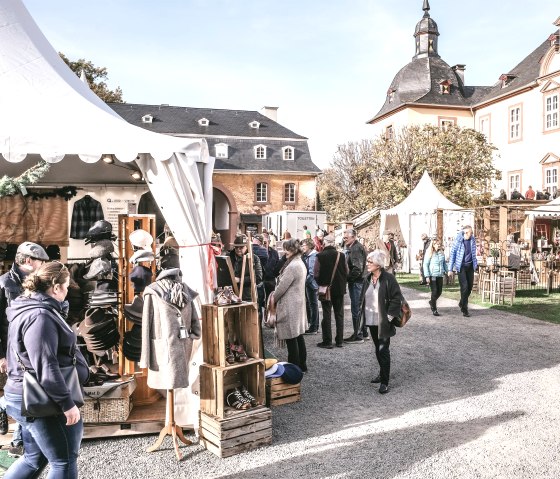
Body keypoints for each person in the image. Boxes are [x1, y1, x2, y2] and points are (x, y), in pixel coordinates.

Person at [4, 261, 89, 478]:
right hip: (41, 400)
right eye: (67, 286)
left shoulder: (27, 307)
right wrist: (67, 404)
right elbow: (45, 365)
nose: (68, 291)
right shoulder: (40, 316)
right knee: (64, 461)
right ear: (56, 287)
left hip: (25, 394)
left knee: (34, 459)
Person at [0, 242, 49, 457]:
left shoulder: (37, 282)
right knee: (19, 389)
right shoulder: (4, 283)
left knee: (28, 388)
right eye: (40, 261)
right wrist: (1, 355)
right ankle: (6, 416)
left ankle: (19, 442)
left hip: (29, 345)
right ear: (28, 261)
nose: (43, 265)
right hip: (10, 348)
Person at [359, 250, 403, 394]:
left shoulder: (389, 278)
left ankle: (384, 381)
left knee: (383, 349)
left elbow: (397, 298)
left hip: (384, 320)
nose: (367, 264)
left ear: (378, 264)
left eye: (370, 262)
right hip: (371, 319)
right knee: (378, 348)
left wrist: (389, 317)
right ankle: (381, 373)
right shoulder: (367, 278)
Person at [270, 239, 307, 372]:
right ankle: (302, 365)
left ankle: (294, 368)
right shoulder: (299, 262)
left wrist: (272, 299)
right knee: (298, 335)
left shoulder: (292, 266)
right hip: (297, 303)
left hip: (290, 305)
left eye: (286, 249)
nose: (284, 252)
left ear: (292, 250)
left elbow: (281, 288)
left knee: (292, 338)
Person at [314, 235, 348, 349]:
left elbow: (316, 273)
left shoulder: (320, 255)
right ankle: (339, 341)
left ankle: (327, 341)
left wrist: (321, 283)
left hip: (325, 289)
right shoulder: (341, 255)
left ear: (325, 242)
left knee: (326, 314)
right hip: (339, 289)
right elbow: (346, 271)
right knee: (339, 315)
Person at [342, 228, 368, 344]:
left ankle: (357, 335)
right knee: (361, 307)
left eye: (346, 236)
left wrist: (348, 279)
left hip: (357, 282)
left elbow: (357, 268)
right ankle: (363, 332)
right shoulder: (354, 247)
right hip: (360, 281)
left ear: (353, 236)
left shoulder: (355, 248)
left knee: (356, 308)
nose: (344, 237)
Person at [448, 225, 478, 317]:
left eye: (471, 232)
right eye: (470, 232)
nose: (472, 234)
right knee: (464, 287)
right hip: (461, 267)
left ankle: (461, 302)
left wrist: (475, 265)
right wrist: (450, 269)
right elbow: (452, 254)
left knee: (469, 287)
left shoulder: (472, 240)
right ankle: (465, 309)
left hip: (470, 266)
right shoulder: (458, 241)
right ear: (465, 233)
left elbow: (473, 253)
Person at [228, 235, 263, 302]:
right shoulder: (229, 257)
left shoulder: (254, 259)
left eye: (241, 247)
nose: (238, 249)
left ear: (246, 247)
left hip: (247, 296)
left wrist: (240, 280)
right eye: (236, 247)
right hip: (231, 296)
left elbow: (258, 277)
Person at [423, 238, 448, 316]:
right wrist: (427, 276)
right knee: (434, 292)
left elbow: (444, 264)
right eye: (437, 244)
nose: (439, 245)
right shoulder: (429, 253)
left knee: (439, 292)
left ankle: (431, 302)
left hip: (440, 275)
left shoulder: (441, 253)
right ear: (433, 245)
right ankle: (434, 309)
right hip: (432, 275)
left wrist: (447, 271)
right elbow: (425, 265)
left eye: (439, 244)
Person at [301, 239, 319, 334]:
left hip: (312, 284)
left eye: (304, 245)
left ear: (309, 246)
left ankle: (314, 327)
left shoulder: (313, 256)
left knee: (313, 305)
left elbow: (311, 273)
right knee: (312, 305)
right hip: (310, 284)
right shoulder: (307, 256)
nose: (302, 247)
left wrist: (304, 282)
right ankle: (314, 325)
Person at [251, 235, 268, 322]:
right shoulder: (264, 251)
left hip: (250, 279)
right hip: (260, 279)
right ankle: (259, 329)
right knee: (259, 304)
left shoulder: (248, 249)